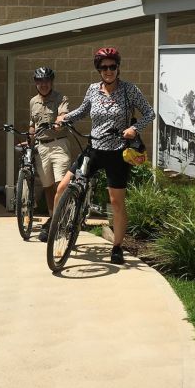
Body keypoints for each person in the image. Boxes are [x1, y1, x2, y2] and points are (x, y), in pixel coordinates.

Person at [55, 47, 155, 264]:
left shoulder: (129, 90)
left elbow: (150, 113)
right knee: (63, 187)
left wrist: (135, 129)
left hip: (118, 152)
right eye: (104, 67)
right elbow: (82, 110)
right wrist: (63, 119)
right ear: (98, 69)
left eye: (112, 66)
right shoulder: (93, 89)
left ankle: (117, 246)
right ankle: (57, 230)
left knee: (116, 203)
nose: (108, 70)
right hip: (94, 148)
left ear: (118, 68)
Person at [28, 66, 71, 242]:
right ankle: (54, 219)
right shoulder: (33, 101)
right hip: (42, 147)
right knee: (47, 186)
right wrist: (29, 141)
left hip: (59, 144)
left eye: (46, 81)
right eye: (40, 81)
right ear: (36, 83)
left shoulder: (61, 98)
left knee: (61, 184)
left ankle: (63, 220)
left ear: (51, 82)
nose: (43, 84)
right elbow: (33, 124)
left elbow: (63, 114)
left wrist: (59, 122)